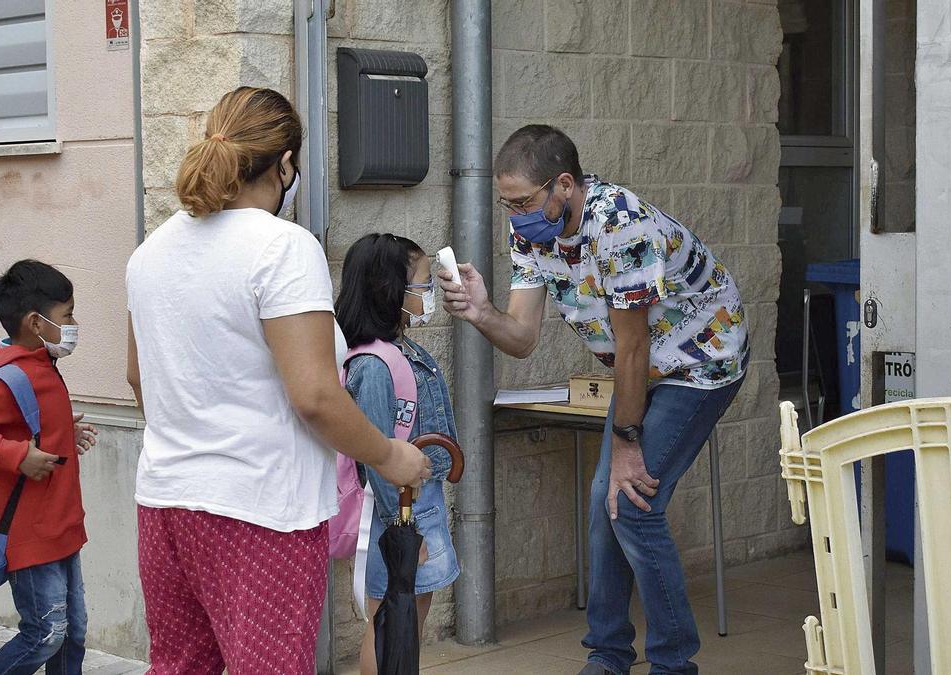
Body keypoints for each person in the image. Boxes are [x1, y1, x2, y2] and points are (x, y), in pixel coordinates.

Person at [124, 86, 430, 675]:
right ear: (285, 164)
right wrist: (389, 455)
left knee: (182, 666)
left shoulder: (150, 252)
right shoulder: (283, 247)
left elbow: (138, 377)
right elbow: (315, 395)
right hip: (263, 510)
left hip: (165, 500)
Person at [439, 125, 749, 675]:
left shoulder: (621, 226)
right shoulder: (535, 231)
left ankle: (674, 664)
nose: (515, 217)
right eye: (506, 205)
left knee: (631, 501)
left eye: (523, 202)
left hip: (701, 362)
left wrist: (629, 443)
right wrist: (482, 312)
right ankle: (608, 657)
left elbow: (632, 348)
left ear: (564, 185)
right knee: (604, 502)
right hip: (645, 367)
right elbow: (523, 338)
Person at [0, 259, 98, 673]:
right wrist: (19, 457)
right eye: (67, 315)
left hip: (63, 525)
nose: (74, 324)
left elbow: (30, 427)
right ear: (36, 322)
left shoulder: (44, 366)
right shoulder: (11, 377)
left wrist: (64, 435)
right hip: (31, 533)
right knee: (45, 634)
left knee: (73, 633)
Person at [335, 233, 460, 675]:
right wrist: (401, 532)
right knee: (390, 619)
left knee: (410, 618)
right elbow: (376, 456)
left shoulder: (398, 350)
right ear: (391, 291)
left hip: (419, 502)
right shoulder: (371, 364)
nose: (429, 294)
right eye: (423, 285)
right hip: (401, 510)